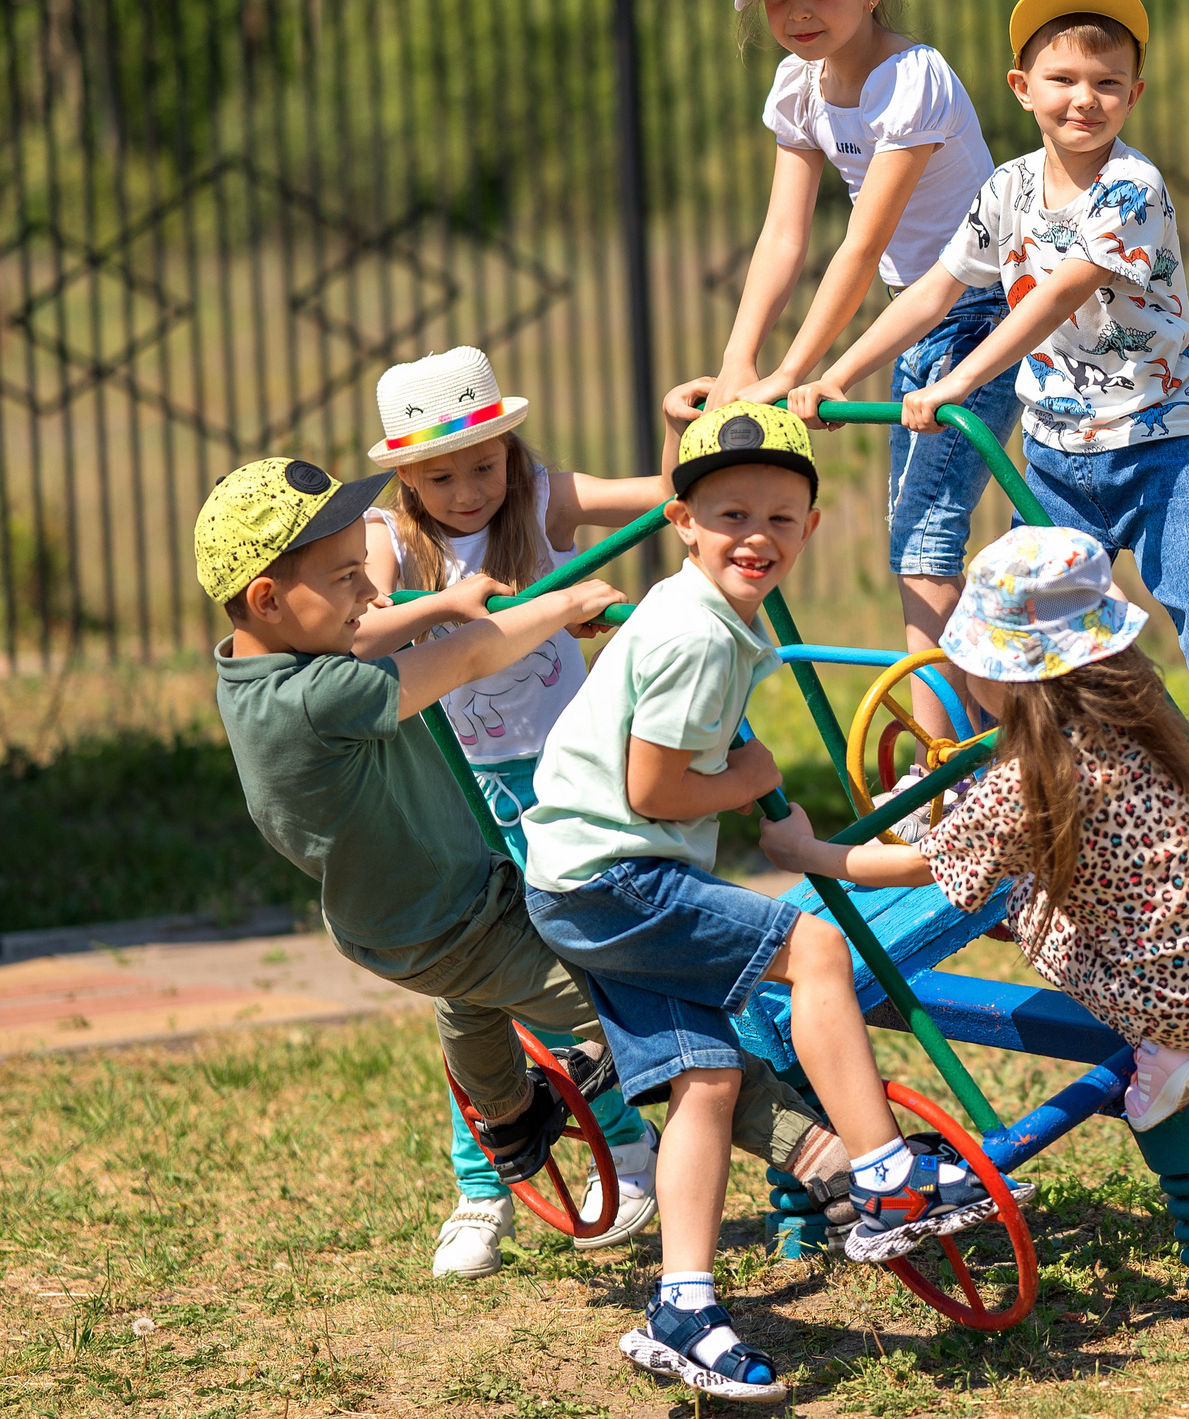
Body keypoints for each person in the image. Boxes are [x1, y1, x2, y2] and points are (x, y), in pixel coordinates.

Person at [786, 0, 1189, 891]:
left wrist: (959, 377)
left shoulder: (1131, 187)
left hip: (1157, 449)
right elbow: (940, 290)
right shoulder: (1005, 190)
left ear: (1134, 95)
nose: (1085, 100)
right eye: (1062, 79)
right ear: (1022, 89)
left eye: (1107, 83)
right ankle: (1144, 819)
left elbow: (1060, 290)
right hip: (1061, 461)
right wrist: (834, 375)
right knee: (1048, 649)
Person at [198, 457, 841, 1286]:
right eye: (350, 575)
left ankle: (508, 1116)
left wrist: (443, 603)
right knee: (658, 1019)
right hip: (450, 918)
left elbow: (369, 633)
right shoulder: (314, 699)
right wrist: (560, 605)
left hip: (420, 908)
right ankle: (828, 1161)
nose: (370, 592)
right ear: (268, 598)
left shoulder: (253, 666)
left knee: (472, 1000)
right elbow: (462, 663)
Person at [520, 403, 1029, 1406]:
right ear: (682, 520)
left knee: (707, 1081)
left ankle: (683, 1305)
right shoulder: (697, 637)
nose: (755, 536)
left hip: (576, 880)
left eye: (780, 517)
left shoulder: (705, 615)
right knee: (817, 950)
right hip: (614, 876)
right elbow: (654, 792)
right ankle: (883, 1177)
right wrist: (749, 772)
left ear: (812, 525)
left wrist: (741, 782)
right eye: (729, 514)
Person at [351, 345, 709, 1276]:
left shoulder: (541, 499)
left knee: (576, 962)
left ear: (512, 449)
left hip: (564, 776)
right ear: (405, 477)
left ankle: (626, 1153)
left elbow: (667, 495)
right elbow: (361, 626)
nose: (469, 489)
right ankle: (483, 1188)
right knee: (469, 990)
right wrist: (446, 602)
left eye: (484, 463)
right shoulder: (389, 539)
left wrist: (674, 425)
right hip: (457, 790)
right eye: (441, 474)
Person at [771, 527, 1189, 1131]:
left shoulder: (1027, 785)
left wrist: (806, 850)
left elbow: (912, 868)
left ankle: (1172, 1052)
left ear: (1002, 676)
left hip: (1171, 1006)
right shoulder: (1144, 711)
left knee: (1029, 899)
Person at [704, 0, 1017, 743]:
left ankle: (957, 764)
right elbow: (782, 237)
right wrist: (739, 363)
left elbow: (863, 241)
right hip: (918, 319)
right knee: (920, 549)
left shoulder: (910, 78)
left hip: (992, 312)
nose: (798, 14)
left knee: (925, 547)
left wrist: (804, 370)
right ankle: (966, 756)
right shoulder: (799, 87)